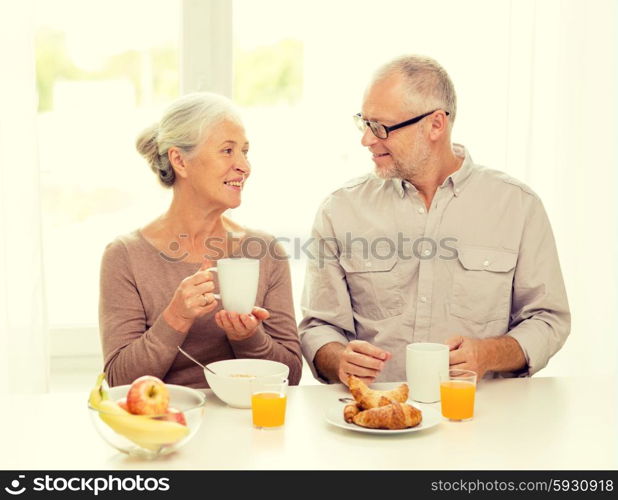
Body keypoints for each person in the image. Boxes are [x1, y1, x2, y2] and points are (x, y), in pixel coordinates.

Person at [299, 55, 570, 385]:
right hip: (374, 420)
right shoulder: (339, 210)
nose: (367, 139)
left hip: (481, 421)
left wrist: (488, 354)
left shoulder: (517, 206)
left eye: (381, 127)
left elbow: (548, 319)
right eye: (364, 123)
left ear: (436, 125)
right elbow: (318, 326)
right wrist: (338, 358)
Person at [99, 92, 302, 388]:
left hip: (247, 425)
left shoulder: (266, 251)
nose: (244, 166)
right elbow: (119, 382)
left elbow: (292, 376)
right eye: (227, 151)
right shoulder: (124, 256)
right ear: (180, 161)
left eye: (245, 151)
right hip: (166, 426)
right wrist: (176, 318)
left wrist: (248, 337)